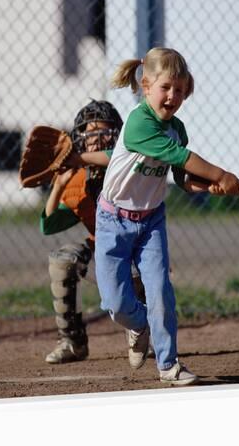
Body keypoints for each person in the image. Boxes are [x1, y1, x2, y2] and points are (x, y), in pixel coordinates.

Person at [92, 48, 239, 385]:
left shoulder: (178, 128)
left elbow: (182, 177)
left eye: (179, 89)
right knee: (114, 302)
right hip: (112, 220)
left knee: (160, 290)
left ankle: (168, 364)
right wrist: (221, 174)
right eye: (165, 88)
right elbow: (181, 156)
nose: (172, 96)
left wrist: (207, 186)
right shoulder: (138, 123)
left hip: (150, 222)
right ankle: (139, 325)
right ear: (146, 87)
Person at [40, 100, 146, 364]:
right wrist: (59, 184)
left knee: (135, 271)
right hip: (101, 247)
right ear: (80, 140)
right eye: (91, 134)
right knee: (63, 261)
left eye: (105, 133)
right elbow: (48, 225)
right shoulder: (77, 178)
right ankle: (72, 341)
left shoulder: (127, 167)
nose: (97, 140)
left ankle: (144, 332)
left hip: (134, 247)